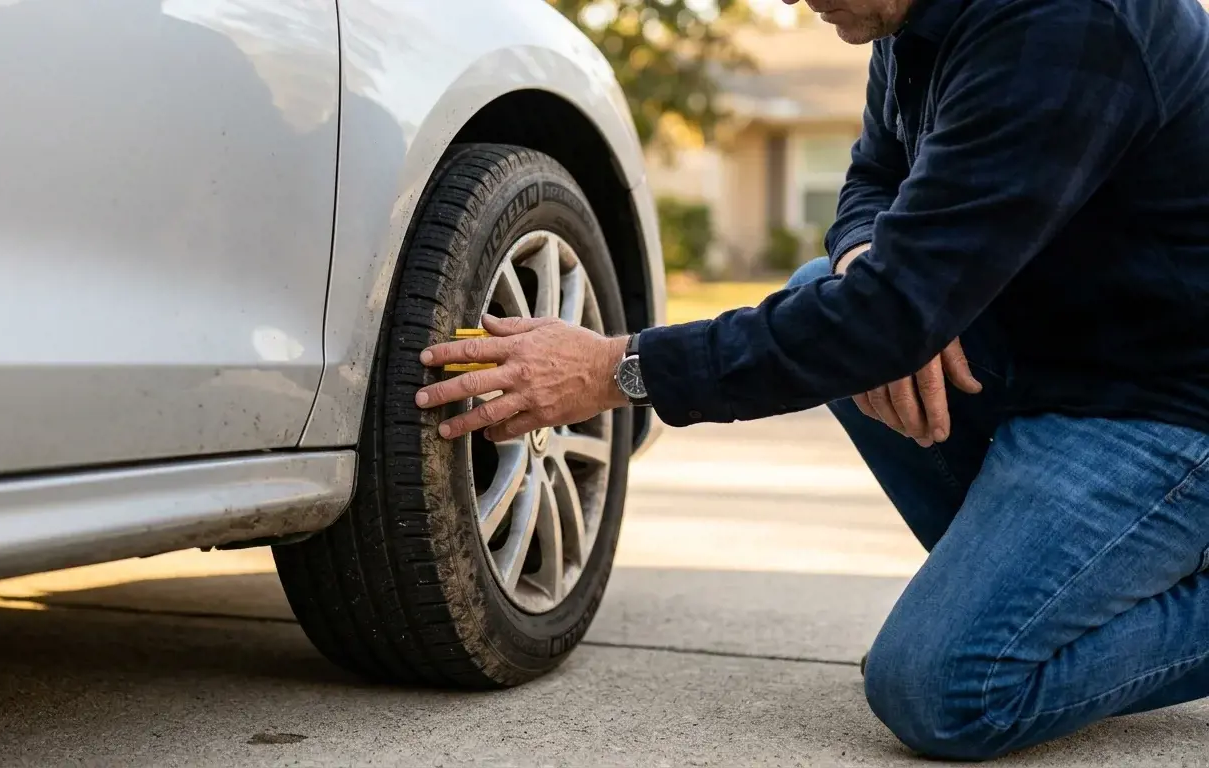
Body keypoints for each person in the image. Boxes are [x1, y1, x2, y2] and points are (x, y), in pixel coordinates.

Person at [413, 0, 1209, 759]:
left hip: (1162, 410)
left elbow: (881, 321)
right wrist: (873, 266)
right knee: (819, 288)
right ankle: (1029, 592)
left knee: (944, 688)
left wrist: (613, 369)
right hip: (1049, 369)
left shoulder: (1067, 22)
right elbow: (872, 179)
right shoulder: (908, 21)